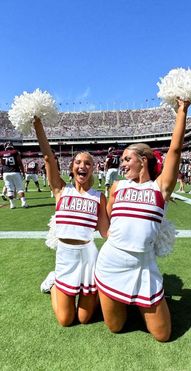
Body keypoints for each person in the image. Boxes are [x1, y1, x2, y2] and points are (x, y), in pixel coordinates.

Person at [95, 99, 191, 342]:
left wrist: (183, 109)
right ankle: (112, 296)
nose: (122, 163)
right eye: (122, 160)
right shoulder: (117, 186)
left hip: (144, 266)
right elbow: (106, 229)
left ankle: (136, 300)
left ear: (143, 160)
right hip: (111, 263)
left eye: (128, 158)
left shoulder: (160, 188)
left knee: (163, 335)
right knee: (116, 327)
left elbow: (175, 151)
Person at [33, 116, 109, 326]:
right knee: (66, 320)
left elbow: (106, 232)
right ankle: (54, 282)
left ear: (93, 169)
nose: (82, 166)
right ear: (72, 168)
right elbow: (48, 158)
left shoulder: (98, 196)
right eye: (78, 162)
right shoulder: (61, 189)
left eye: (87, 163)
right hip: (65, 256)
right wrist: (38, 125)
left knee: (85, 319)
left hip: (88, 256)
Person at [0, 142, 28, 209]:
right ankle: (23, 203)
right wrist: (23, 172)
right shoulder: (15, 152)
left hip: (6, 173)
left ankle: (12, 205)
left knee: (10, 190)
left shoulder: (1, 153)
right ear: (12, 146)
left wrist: (1, 173)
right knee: (19, 188)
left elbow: (2, 164)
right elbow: (20, 163)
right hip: (15, 172)